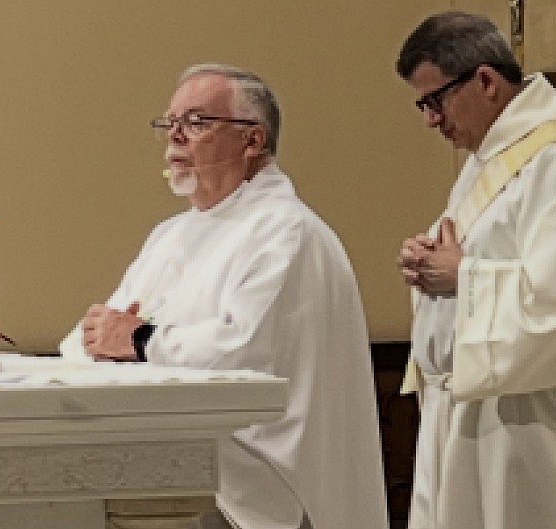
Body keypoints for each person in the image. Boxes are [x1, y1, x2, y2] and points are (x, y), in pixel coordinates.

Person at [59, 64, 388, 529]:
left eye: (195, 122)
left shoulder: (286, 232)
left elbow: (242, 353)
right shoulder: (170, 235)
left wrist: (138, 342)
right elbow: (88, 338)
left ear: (252, 141)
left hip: (261, 485)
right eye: (169, 123)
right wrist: (110, 338)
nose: (176, 137)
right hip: (178, 468)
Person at [395, 11, 556, 529]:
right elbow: (473, 260)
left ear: (486, 81)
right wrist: (428, 265)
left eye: (434, 100)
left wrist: (460, 276)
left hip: (521, 423)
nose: (430, 119)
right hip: (463, 412)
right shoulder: (489, 160)